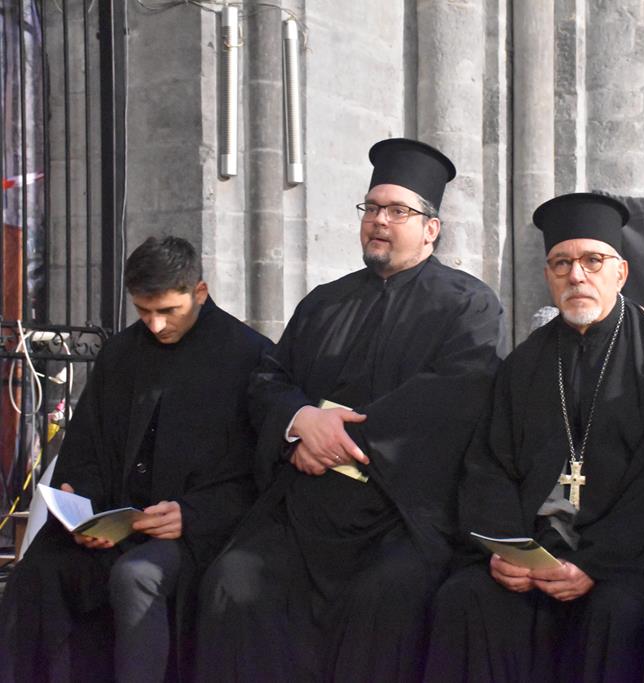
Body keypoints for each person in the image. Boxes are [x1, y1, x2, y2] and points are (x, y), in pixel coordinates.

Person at [195, 138, 505, 682]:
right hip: (306, 507)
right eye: (372, 208)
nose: (379, 221)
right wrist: (300, 422)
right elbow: (269, 378)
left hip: (401, 512)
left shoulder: (468, 305)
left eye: (397, 211)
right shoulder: (324, 302)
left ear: (431, 228)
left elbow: (453, 397)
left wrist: (333, 441)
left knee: (385, 598)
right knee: (232, 581)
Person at [424, 192, 644, 682]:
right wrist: (507, 551)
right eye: (561, 264)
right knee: (464, 598)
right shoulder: (523, 364)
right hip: (534, 552)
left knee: (615, 613)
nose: (576, 276)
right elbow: (489, 465)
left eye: (592, 261)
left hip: (625, 561)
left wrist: (593, 563)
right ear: (548, 275)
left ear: (621, 272)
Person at [0, 236, 271, 683]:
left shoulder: (249, 356)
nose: (156, 325)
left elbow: (258, 472)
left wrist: (192, 516)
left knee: (136, 577)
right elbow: (87, 448)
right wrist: (83, 511)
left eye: (169, 310)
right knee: (39, 573)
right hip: (114, 530)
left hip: (199, 536)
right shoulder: (121, 353)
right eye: (144, 311)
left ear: (200, 292)